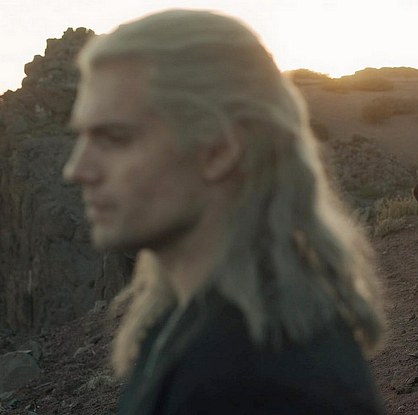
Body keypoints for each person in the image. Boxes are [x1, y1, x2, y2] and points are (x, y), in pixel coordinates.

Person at [62, 10, 385, 414]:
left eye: (114, 137)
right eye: (82, 136)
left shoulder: (261, 378)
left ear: (218, 150)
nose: (76, 169)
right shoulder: (187, 323)